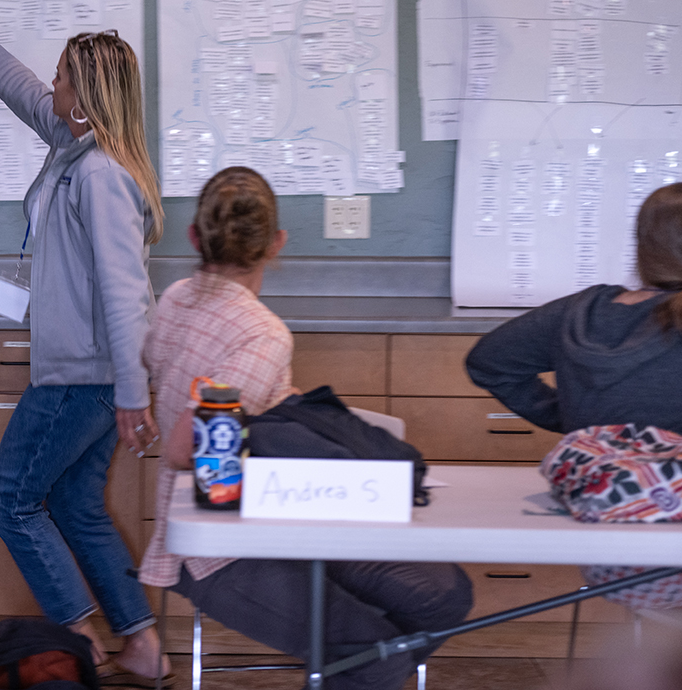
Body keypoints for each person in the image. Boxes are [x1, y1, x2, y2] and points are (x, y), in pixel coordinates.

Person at [0, 0, 169, 683]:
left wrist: (131, 393)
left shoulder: (100, 176)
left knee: (11, 499)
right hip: (86, 372)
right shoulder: (71, 143)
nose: (50, 87)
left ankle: (79, 637)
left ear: (84, 98)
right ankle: (142, 647)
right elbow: (17, 84)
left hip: (82, 374)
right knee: (78, 504)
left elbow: (125, 296)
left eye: (61, 78)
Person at [140, 167, 473, 690]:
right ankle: (356, 664)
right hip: (219, 549)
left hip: (273, 518)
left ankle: (346, 665)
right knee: (375, 655)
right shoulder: (262, 333)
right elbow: (186, 445)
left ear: (193, 236)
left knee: (441, 596)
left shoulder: (176, 298)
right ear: (276, 244)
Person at [466, 182, 682, 439]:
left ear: (643, 245)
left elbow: (489, 362)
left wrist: (573, 417)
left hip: (591, 475)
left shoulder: (581, 311)